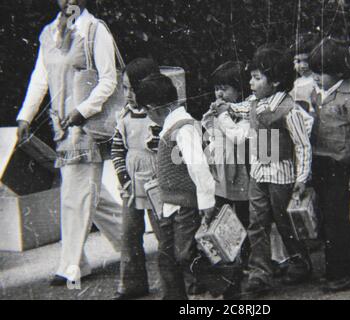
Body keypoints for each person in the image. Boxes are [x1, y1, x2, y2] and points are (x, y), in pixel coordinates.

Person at [16, 0, 123, 285]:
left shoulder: (95, 30)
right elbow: (40, 78)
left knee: (75, 196)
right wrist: (25, 117)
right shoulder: (49, 32)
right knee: (89, 193)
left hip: (88, 124)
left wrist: (83, 110)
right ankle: (129, 242)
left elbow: (109, 80)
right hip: (61, 124)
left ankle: (71, 266)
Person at [135, 74, 216, 300]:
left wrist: (207, 201)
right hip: (172, 206)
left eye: (146, 112)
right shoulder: (171, 128)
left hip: (187, 206)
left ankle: (225, 283)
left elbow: (198, 166)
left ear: (152, 108)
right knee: (167, 256)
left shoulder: (182, 128)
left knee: (185, 255)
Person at [243, 45, 313, 295]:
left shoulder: (288, 109)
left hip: (281, 174)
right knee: (257, 223)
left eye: (256, 77)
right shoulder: (254, 103)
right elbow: (241, 110)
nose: (251, 82)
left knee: (285, 222)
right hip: (258, 172)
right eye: (251, 76)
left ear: (275, 81)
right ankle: (259, 272)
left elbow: (302, 145)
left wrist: (302, 177)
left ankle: (299, 262)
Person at [309, 37, 350, 292]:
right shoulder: (315, 94)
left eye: (322, 72)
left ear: (339, 72)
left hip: (340, 166)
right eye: (314, 72)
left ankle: (345, 272)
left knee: (337, 220)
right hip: (319, 163)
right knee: (324, 218)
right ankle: (336, 269)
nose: (316, 77)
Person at [111, 58, 161, 300]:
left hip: (156, 180)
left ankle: (177, 283)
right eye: (124, 88)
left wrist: (158, 144)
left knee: (165, 233)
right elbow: (117, 150)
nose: (128, 94)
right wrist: (123, 177)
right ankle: (132, 284)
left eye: (133, 88)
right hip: (131, 182)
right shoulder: (123, 116)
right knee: (130, 232)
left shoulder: (159, 115)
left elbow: (172, 147)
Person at [201, 61, 251, 298]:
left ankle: (245, 268)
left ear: (239, 91)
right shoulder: (219, 112)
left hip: (240, 172)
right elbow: (210, 136)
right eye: (216, 88)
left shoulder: (244, 111)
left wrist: (222, 116)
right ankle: (226, 271)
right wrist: (210, 119)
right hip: (220, 172)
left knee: (241, 219)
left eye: (225, 88)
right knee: (221, 219)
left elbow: (238, 136)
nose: (219, 94)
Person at [289, 34, 318, 113]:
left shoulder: (317, 81)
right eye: (298, 61)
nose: (302, 66)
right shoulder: (295, 83)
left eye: (306, 61)